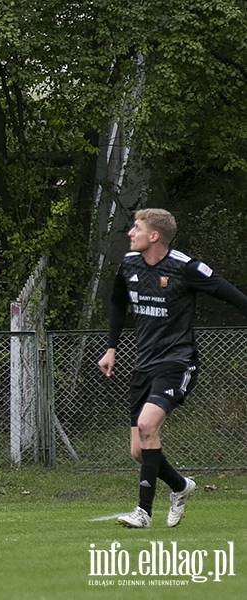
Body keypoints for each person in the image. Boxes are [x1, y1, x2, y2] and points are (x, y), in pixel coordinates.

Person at [98, 208, 247, 528]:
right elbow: (116, 303)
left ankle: (143, 512)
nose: (130, 233)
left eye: (136, 228)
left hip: (177, 362)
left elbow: (233, 296)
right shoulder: (129, 263)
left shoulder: (186, 267)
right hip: (144, 364)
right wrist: (111, 348)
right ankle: (180, 486)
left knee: (148, 425)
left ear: (154, 236)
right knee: (139, 451)